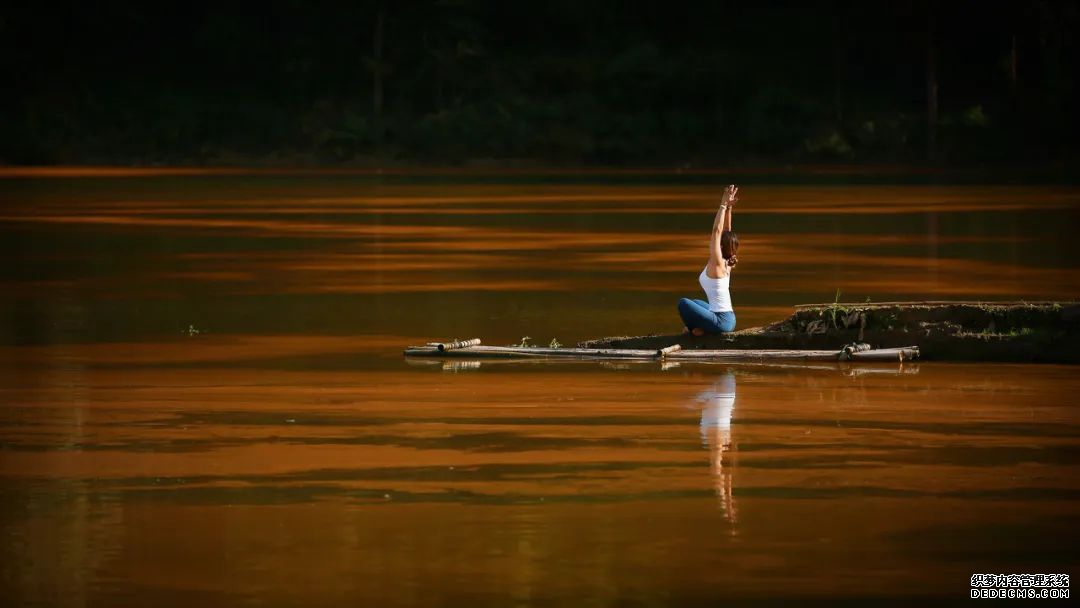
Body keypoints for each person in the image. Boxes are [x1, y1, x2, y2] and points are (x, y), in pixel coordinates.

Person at [678, 184, 740, 336]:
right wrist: (730, 209)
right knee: (695, 302)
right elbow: (726, 231)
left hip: (722, 321)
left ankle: (696, 331)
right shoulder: (727, 260)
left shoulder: (718, 262)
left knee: (683, 303)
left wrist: (723, 205)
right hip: (728, 317)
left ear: (720, 246)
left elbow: (717, 231)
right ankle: (700, 328)